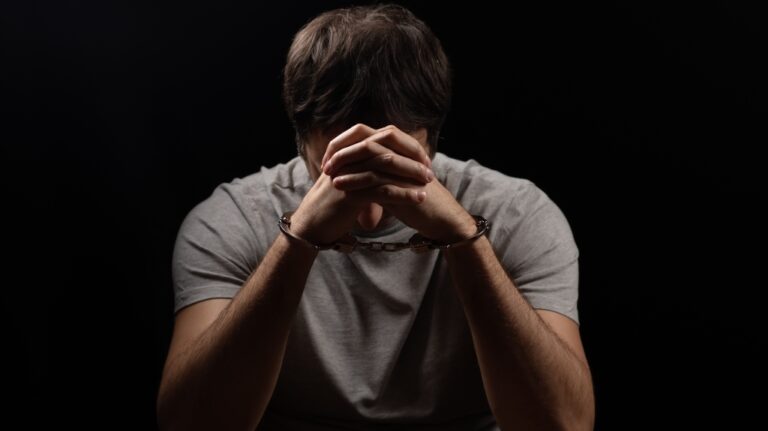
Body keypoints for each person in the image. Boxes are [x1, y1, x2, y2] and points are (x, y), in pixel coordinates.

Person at [157, 4, 594, 430]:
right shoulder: (232, 218)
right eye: (342, 170)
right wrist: (298, 240)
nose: (368, 214)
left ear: (430, 142)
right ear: (301, 137)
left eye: (393, 164)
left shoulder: (518, 213)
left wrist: (465, 239)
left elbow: (564, 424)